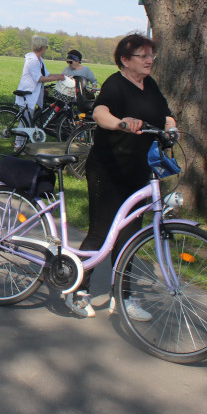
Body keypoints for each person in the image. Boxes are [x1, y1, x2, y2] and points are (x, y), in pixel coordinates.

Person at [72, 33, 176, 321]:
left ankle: (124, 295)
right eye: (142, 56)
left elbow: (164, 114)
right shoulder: (116, 85)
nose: (149, 60)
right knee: (101, 232)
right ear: (124, 60)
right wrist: (121, 123)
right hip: (109, 169)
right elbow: (100, 112)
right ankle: (78, 290)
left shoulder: (150, 85)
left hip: (138, 171)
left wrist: (171, 126)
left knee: (130, 237)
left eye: (150, 55)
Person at [15, 36, 64, 111]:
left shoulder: (39, 59)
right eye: (46, 47)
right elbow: (39, 78)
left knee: (30, 120)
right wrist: (57, 78)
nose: (46, 49)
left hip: (34, 94)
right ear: (41, 47)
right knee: (26, 121)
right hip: (28, 93)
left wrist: (61, 75)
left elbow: (46, 74)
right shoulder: (32, 61)